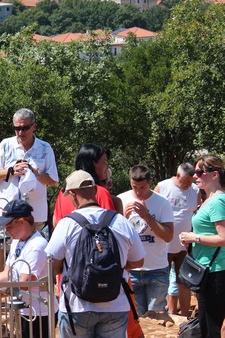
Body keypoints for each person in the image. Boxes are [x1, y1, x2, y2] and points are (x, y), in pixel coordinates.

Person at [46, 170, 145, 338]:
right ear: (95, 190)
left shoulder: (66, 224)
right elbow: (138, 261)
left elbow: (52, 266)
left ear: (72, 194)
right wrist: (118, 266)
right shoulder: (120, 221)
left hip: (77, 307)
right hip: (115, 305)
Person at [0, 200, 53, 338]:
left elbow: (23, 284)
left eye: (9, 226)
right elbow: (7, 273)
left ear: (22, 222)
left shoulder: (37, 246)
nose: (7, 231)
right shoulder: (17, 241)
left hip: (39, 312)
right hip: (22, 308)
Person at [178, 154, 225, 338]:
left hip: (216, 272)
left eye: (199, 171)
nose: (195, 175)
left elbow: (223, 237)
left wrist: (194, 237)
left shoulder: (218, 201)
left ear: (214, 175)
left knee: (210, 329)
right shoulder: (207, 199)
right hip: (206, 271)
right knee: (204, 325)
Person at [117, 165, 173, 315]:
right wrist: (123, 218)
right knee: (137, 318)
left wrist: (147, 216)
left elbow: (168, 236)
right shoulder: (121, 200)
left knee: (157, 319)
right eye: (134, 187)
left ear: (150, 182)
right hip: (131, 269)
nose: (138, 191)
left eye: (142, 187)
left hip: (157, 270)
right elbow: (114, 238)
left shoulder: (162, 202)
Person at [0, 108, 59, 231]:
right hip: (8, 213)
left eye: (25, 128)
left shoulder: (45, 148)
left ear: (34, 126)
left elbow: (53, 181)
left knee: (32, 249)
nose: (21, 132)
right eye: (17, 128)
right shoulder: (5, 145)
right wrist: (10, 171)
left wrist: (35, 172)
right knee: (2, 249)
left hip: (34, 214)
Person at [154, 162, 201, 316]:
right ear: (177, 175)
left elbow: (198, 212)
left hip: (184, 246)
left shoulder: (195, 190)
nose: (188, 185)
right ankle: (163, 313)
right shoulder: (163, 187)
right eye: (185, 181)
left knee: (185, 281)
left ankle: (185, 314)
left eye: (190, 182)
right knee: (162, 281)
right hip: (163, 245)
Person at [52, 144, 120, 227]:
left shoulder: (64, 193)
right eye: (105, 161)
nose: (107, 166)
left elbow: (56, 223)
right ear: (94, 163)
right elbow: (113, 227)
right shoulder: (100, 192)